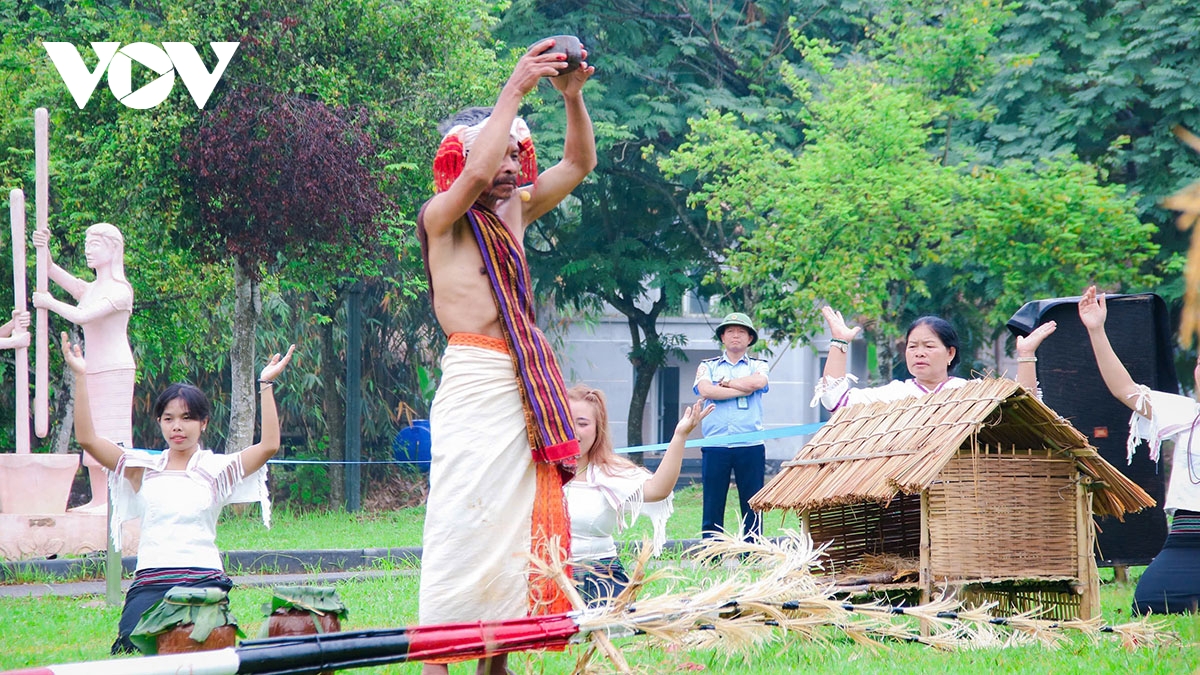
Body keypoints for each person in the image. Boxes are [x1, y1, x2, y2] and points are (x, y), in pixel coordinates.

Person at [415, 37, 595, 675]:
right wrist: (514, 88)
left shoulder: (518, 209)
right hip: (471, 379)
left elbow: (578, 163)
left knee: (515, 530)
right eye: (505, 154)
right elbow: (470, 177)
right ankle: (438, 659)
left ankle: (498, 663)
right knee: (463, 519)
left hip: (518, 386)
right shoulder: (444, 215)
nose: (516, 165)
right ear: (466, 160)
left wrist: (571, 99)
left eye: (521, 154)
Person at [60, 332, 294, 653]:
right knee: (131, 646)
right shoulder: (142, 467)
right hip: (151, 581)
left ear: (204, 423)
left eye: (187, 418)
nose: (177, 427)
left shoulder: (217, 469)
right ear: (159, 422)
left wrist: (265, 384)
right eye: (168, 419)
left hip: (203, 581)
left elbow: (268, 445)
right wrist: (81, 375)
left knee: (199, 648)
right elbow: (88, 439)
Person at [1077, 285, 1200, 614]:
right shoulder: (1186, 413)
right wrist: (1096, 329)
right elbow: (1125, 389)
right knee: (1149, 604)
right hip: (1187, 536)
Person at [566, 385, 713, 603]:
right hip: (548, 578)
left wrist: (680, 436)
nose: (574, 431)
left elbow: (658, 489)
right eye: (567, 422)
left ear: (598, 429)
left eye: (583, 423)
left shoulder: (610, 472)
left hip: (599, 580)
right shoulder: (537, 472)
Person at [33, 223, 135, 511]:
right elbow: (52, 271)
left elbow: (83, 316)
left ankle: (115, 499)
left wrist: (49, 303)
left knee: (112, 435)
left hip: (115, 370)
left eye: (95, 244)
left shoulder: (120, 291)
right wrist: (44, 246)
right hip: (91, 369)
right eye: (87, 244)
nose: (88, 250)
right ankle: (99, 498)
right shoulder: (91, 288)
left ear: (113, 248)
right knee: (93, 433)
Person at [812, 305, 1056, 412]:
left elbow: (1025, 407)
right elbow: (835, 401)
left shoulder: (971, 393)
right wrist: (839, 342)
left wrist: (1026, 355)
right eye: (912, 346)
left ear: (950, 353)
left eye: (929, 346)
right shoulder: (892, 395)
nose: (919, 352)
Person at [693, 312, 770, 541]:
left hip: (751, 444)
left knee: (753, 502)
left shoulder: (759, 365)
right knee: (713, 501)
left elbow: (759, 382)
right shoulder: (708, 366)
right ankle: (712, 551)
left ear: (749, 339)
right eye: (730, 332)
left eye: (741, 332)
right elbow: (706, 390)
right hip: (715, 445)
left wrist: (726, 384)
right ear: (723, 338)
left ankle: (753, 551)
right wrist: (743, 389)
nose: (735, 336)